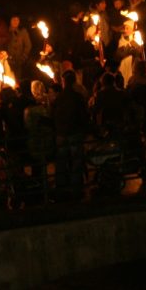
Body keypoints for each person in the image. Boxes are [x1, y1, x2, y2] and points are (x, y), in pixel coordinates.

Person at [51, 70, 89, 200]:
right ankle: (76, 188)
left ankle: (61, 187)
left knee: (61, 162)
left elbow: (53, 114)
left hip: (61, 134)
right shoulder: (78, 97)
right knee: (76, 161)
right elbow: (83, 115)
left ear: (63, 82)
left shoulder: (58, 98)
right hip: (75, 133)